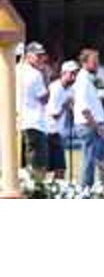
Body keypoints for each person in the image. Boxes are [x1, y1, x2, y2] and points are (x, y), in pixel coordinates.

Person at [73, 48, 104, 190]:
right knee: (90, 160)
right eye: (94, 61)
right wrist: (98, 127)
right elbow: (84, 109)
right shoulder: (83, 80)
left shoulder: (87, 79)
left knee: (101, 159)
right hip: (89, 125)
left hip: (90, 124)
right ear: (84, 62)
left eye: (97, 61)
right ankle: (85, 190)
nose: (97, 64)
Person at [17, 41, 50, 182]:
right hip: (34, 124)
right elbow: (44, 98)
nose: (41, 59)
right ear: (28, 56)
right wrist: (46, 77)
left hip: (18, 123)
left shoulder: (14, 70)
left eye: (42, 56)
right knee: (38, 167)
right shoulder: (36, 74)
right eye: (38, 56)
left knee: (20, 167)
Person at [46, 60, 79, 181]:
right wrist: (66, 105)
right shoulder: (54, 88)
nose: (74, 77)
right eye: (71, 74)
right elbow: (54, 114)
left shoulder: (71, 90)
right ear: (63, 73)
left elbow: (72, 109)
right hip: (48, 132)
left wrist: (71, 107)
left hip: (58, 133)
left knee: (60, 170)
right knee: (47, 169)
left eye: (75, 74)